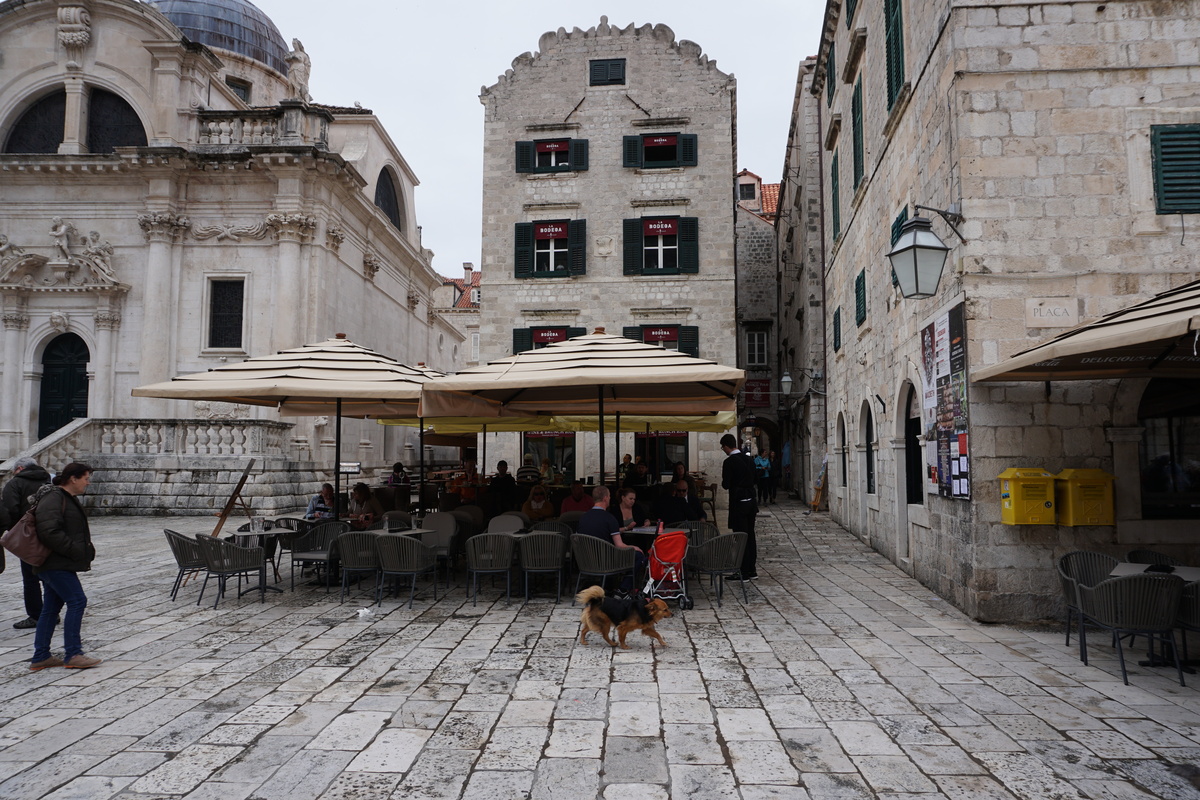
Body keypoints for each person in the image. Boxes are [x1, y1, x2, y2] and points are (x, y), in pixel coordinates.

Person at [31, 462, 99, 670]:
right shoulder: (54, 497)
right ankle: (73, 653)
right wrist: (75, 550)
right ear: (73, 478)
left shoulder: (65, 498)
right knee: (77, 600)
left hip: (58, 562)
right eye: (86, 478)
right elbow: (49, 530)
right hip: (54, 562)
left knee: (51, 608)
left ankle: (41, 656)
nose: (88, 483)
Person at [2, 458, 52, 629]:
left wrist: (14, 531)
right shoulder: (49, 480)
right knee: (48, 574)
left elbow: (9, 510)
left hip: (27, 534)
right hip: (48, 532)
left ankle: (37, 615)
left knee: (30, 578)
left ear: (20, 468)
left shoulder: (15, 484)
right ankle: (52, 612)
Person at [578, 486, 646, 585]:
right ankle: (623, 588)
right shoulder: (609, 518)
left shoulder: (583, 518)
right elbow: (620, 545)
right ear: (605, 498)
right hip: (607, 561)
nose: (610, 498)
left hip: (586, 561)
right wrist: (634, 547)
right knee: (639, 556)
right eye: (609, 496)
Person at [721, 433, 758, 580]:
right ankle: (752, 570)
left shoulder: (729, 462)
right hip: (751, 502)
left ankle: (743, 572)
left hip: (739, 503)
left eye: (723, 447)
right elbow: (755, 479)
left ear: (726, 446)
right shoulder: (749, 460)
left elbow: (726, 484)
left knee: (740, 537)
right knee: (750, 535)